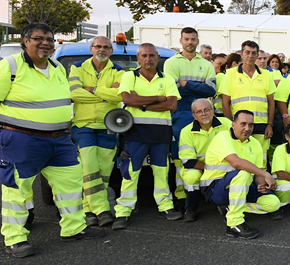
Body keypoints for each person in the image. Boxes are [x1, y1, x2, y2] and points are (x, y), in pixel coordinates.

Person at [0, 23, 105, 257]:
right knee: (16, 189)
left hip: (60, 139)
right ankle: (15, 239)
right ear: (26, 41)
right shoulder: (11, 66)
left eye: (49, 39)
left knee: (71, 185)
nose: (45, 43)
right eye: (39, 38)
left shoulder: (56, 67)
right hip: (20, 138)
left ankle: (74, 229)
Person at [114, 43, 181, 229]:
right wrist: (158, 98)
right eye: (144, 55)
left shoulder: (166, 78)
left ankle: (165, 206)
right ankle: (123, 211)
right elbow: (127, 99)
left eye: (152, 55)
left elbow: (172, 104)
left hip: (161, 133)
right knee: (130, 171)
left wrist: (142, 104)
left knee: (161, 171)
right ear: (138, 58)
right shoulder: (129, 76)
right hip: (135, 132)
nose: (148, 59)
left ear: (157, 57)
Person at [69, 36, 123, 227]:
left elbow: (119, 96)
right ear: (91, 48)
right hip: (83, 126)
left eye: (106, 47)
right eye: (98, 46)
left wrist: (91, 90)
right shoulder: (77, 67)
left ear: (111, 51)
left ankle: (87, 209)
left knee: (104, 170)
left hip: (109, 126)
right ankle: (102, 209)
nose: (102, 49)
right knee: (89, 166)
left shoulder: (119, 70)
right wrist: (105, 93)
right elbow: (74, 92)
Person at [201, 110, 279, 238]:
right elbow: (236, 163)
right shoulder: (223, 137)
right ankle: (234, 224)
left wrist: (260, 184)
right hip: (215, 188)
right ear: (233, 125)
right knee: (243, 173)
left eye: (251, 125)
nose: (247, 128)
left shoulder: (255, 143)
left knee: (273, 203)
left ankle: (231, 208)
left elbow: (258, 171)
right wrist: (266, 174)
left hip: (241, 186)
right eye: (243, 124)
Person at [164, 27, 217, 208]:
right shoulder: (171, 63)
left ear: (197, 41)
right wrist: (198, 86)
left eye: (193, 39)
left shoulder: (207, 64)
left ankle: (205, 189)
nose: (190, 42)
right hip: (181, 112)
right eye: (186, 39)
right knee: (181, 156)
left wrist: (185, 83)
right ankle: (182, 194)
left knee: (206, 151)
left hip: (204, 112)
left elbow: (211, 89)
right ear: (181, 41)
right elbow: (172, 90)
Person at [220, 40, 276, 163]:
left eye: (253, 53)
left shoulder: (266, 75)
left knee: (261, 159)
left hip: (261, 123)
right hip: (240, 124)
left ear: (257, 55)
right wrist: (231, 124)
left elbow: (271, 102)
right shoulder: (230, 74)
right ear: (241, 54)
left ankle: (261, 182)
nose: (250, 56)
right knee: (242, 157)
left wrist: (270, 124)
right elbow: (225, 102)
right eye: (247, 52)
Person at [178, 98, 231, 222]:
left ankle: (226, 205)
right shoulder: (186, 132)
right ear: (194, 115)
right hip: (199, 166)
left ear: (213, 110)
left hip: (224, 164)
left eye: (207, 109)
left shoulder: (226, 123)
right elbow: (188, 161)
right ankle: (191, 208)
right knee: (191, 177)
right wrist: (211, 169)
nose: (204, 113)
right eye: (199, 111)